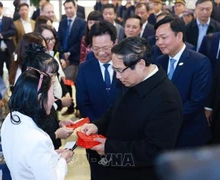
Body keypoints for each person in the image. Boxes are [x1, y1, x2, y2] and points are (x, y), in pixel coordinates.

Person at [80, 36, 183, 180]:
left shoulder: (166, 100)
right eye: (115, 70)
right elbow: (115, 110)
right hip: (114, 167)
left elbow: (154, 151)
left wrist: (109, 149)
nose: (117, 76)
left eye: (120, 70)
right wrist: (97, 126)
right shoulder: (133, 80)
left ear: (140, 64)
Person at [1, 68, 74, 179]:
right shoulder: (37, 139)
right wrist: (63, 159)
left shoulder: (10, 119)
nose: (54, 99)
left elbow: (27, 157)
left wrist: (51, 154)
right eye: (52, 94)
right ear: (40, 99)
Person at [154, 16, 212, 148]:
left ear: (179, 36)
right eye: (157, 38)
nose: (159, 42)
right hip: (163, 136)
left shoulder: (199, 62)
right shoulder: (159, 61)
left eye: (164, 37)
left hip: (189, 134)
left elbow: (197, 101)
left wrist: (167, 119)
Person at [76, 20, 122, 180]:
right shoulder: (84, 69)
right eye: (96, 48)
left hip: (123, 138)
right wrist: (97, 129)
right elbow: (83, 104)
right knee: (98, 174)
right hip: (94, 137)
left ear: (115, 43)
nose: (101, 53)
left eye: (106, 48)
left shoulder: (126, 66)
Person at [57, 0, 86, 115]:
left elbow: (80, 41)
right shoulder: (62, 22)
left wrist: (69, 53)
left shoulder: (82, 23)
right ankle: (70, 106)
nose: (68, 10)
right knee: (65, 82)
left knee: (77, 84)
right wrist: (63, 55)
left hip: (75, 58)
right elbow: (58, 39)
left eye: (70, 8)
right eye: (66, 8)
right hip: (63, 58)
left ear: (76, 7)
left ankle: (79, 107)